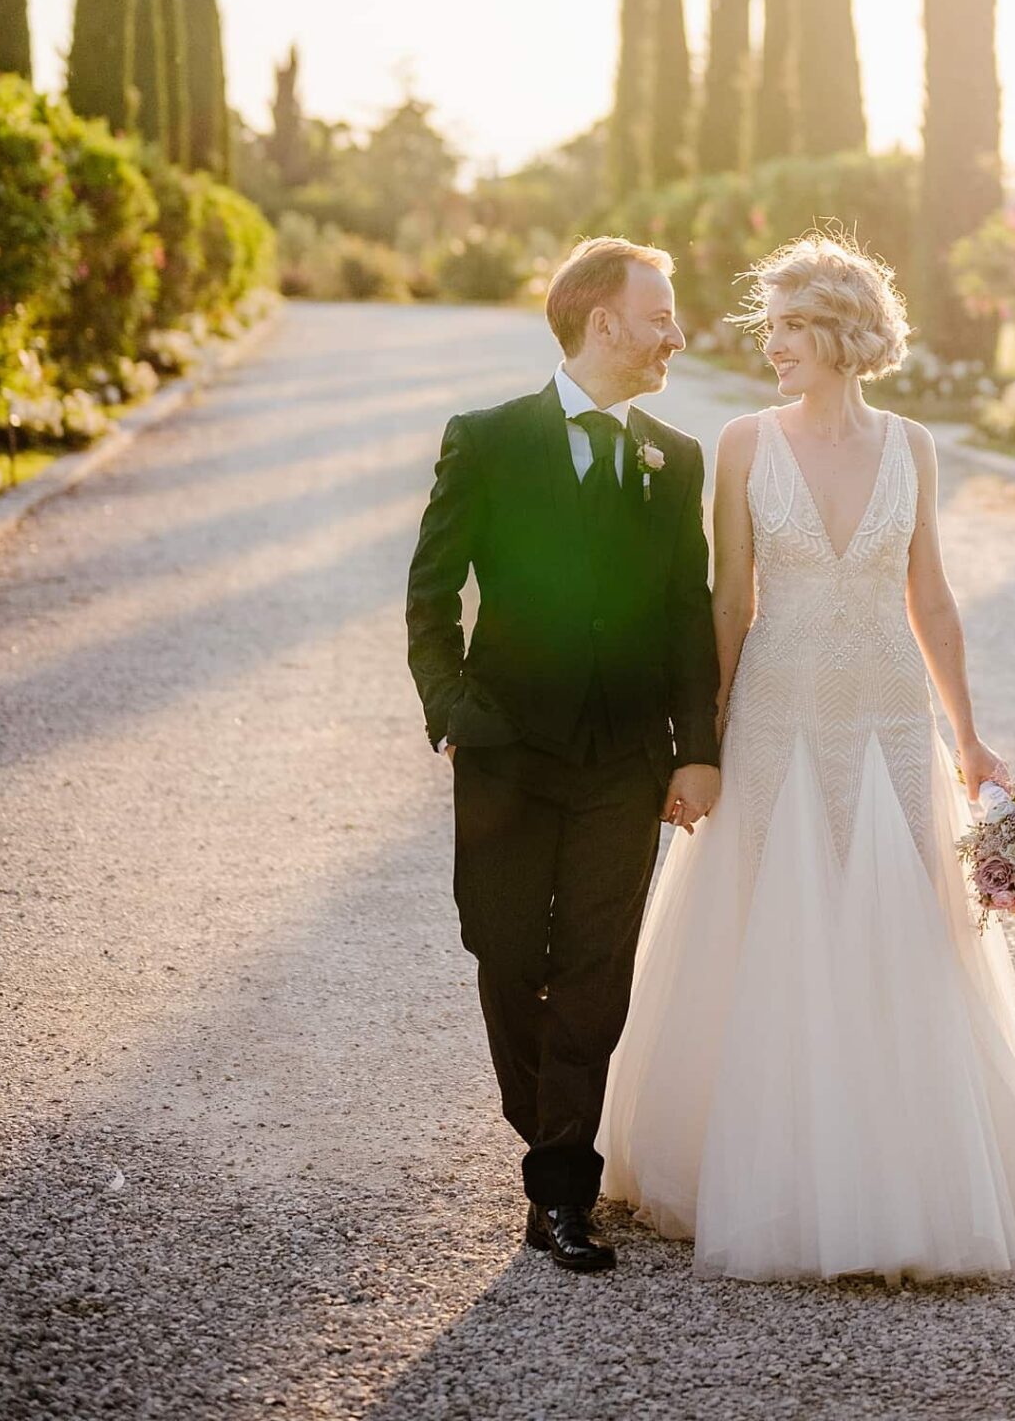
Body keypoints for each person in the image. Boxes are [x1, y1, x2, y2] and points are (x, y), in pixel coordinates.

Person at [599, 230, 1015, 1283]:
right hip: (777, 713)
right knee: (765, 924)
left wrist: (966, 736)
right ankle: (755, 1166)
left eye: (789, 325)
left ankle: (905, 1172)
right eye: (770, 324)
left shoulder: (912, 446)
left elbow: (928, 594)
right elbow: (729, 601)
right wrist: (697, 740)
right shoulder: (745, 442)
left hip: (886, 716)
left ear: (839, 333)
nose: (771, 342)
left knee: (895, 928)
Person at [404, 237, 721, 1276]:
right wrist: (451, 706)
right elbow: (431, 589)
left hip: (624, 762)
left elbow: (686, 614)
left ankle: (559, 1192)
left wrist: (694, 751)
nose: (674, 332)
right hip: (505, 751)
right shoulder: (487, 439)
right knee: (503, 951)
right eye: (660, 313)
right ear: (603, 321)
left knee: (594, 971)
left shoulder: (676, 458)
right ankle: (545, 1125)